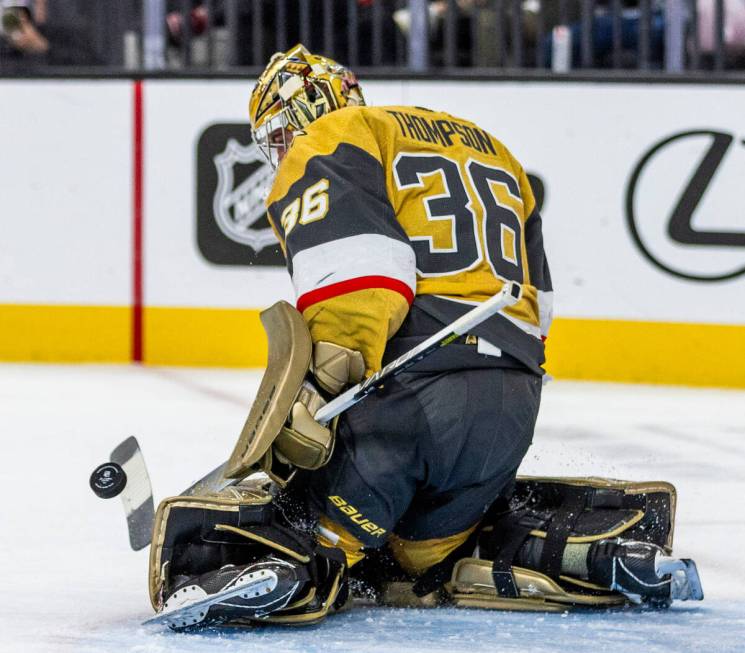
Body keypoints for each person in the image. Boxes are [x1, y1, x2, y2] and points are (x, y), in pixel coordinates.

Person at [145, 45, 702, 631]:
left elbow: (361, 287)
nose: (280, 150)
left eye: (279, 133)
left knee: (320, 537)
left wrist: (312, 401)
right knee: (416, 565)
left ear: (302, 111)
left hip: (409, 404)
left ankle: (286, 566)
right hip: (510, 405)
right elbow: (539, 314)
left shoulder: (333, 138)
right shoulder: (491, 147)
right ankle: (588, 556)